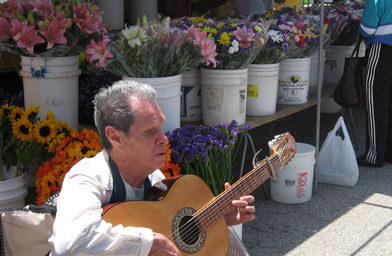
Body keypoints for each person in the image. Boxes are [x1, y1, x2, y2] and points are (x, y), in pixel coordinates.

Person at [49, 80, 256, 255]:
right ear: (115, 137)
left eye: (161, 128)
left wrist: (214, 220)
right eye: (150, 132)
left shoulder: (154, 178)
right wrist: (146, 243)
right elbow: (70, 242)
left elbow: (169, 234)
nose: (164, 139)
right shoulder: (87, 177)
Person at [357, 0, 392, 167]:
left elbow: (368, 28)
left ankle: (374, 154)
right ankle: (388, 151)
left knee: (375, 101)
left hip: (382, 47)